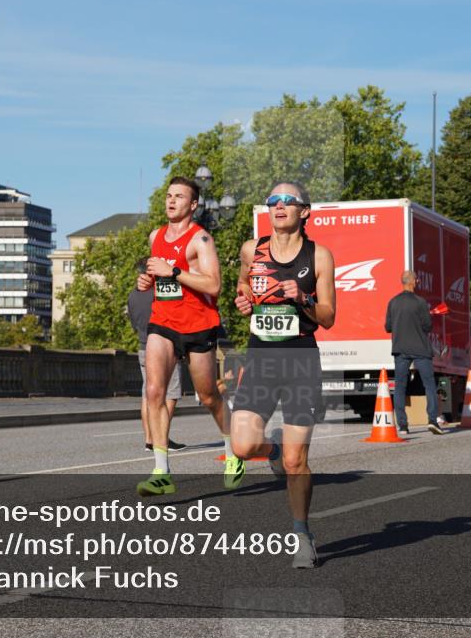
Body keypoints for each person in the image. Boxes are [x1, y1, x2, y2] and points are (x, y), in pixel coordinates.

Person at [230, 181, 336, 569]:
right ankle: (269, 451)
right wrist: (243, 298)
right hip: (260, 359)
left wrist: (302, 298)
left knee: (297, 461)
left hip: (300, 362)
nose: (279, 205)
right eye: (274, 200)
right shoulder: (251, 249)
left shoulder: (319, 256)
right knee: (242, 446)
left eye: (289, 201)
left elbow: (328, 316)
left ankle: (302, 535)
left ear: (304, 212)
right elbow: (245, 283)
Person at [135, 176, 243, 496]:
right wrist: (147, 281)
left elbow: (214, 285)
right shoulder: (155, 235)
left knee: (209, 395)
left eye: (179, 196)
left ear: (193, 205)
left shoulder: (202, 240)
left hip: (198, 326)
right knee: (154, 391)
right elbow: (159, 276)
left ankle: (234, 450)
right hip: (163, 322)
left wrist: (175, 272)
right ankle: (161, 472)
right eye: (168, 195)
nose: (171, 201)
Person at [127, 257, 186, 453]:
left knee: (148, 395)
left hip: (143, 347)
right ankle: (162, 439)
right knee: (170, 395)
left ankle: (150, 440)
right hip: (165, 348)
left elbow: (134, 322)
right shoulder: (162, 292)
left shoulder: (133, 295)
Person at [385, 270, 445, 435]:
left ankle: (403, 426)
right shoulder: (420, 302)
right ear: (412, 282)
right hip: (420, 349)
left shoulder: (393, 302)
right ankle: (432, 421)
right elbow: (427, 326)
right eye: (416, 280)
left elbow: (388, 327)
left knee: (400, 387)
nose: (418, 282)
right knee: (429, 385)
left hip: (400, 349)